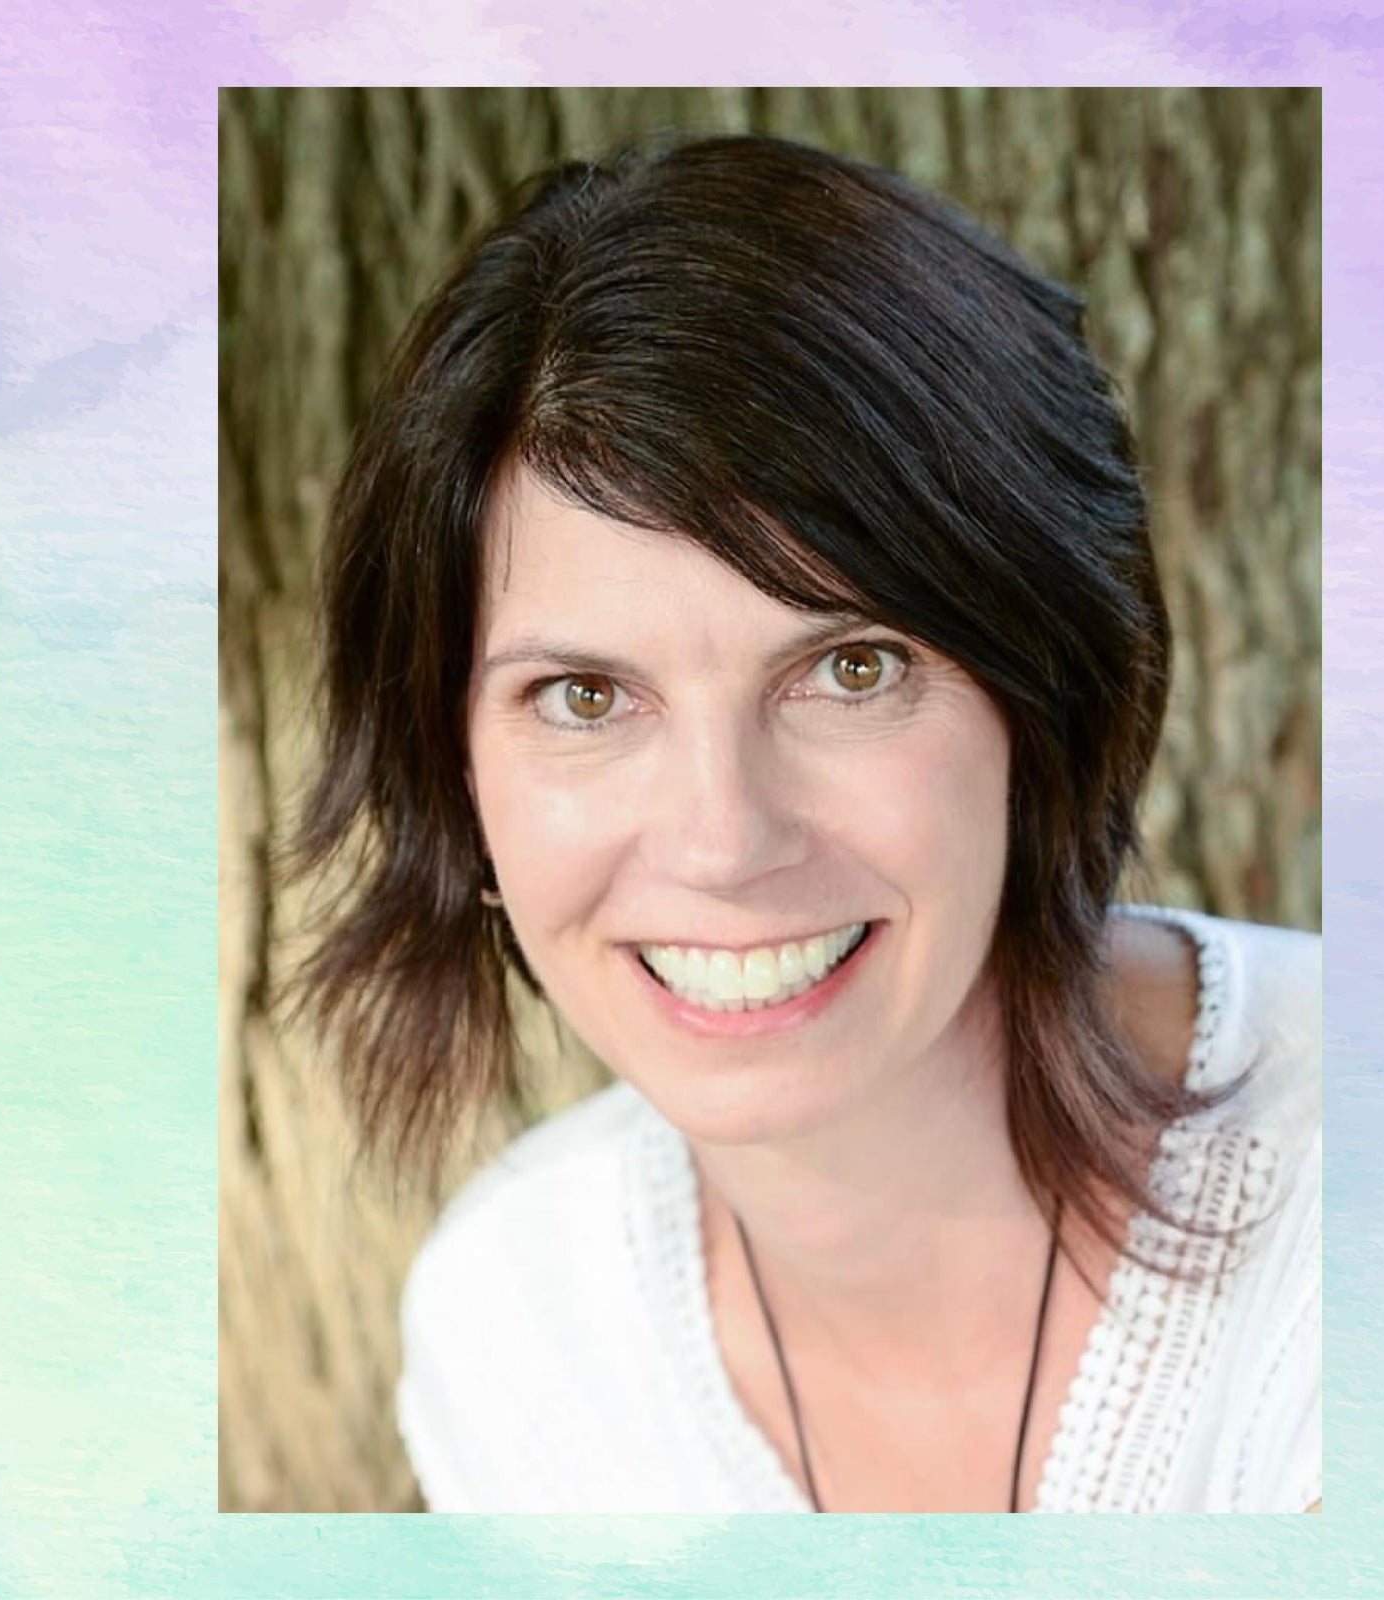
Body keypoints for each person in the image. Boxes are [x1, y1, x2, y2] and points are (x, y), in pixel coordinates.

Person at [289, 134, 1321, 1513]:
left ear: (1050, 692)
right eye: (586, 694)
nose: (723, 841)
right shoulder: (517, 1333)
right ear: (452, 772)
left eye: (852, 669)